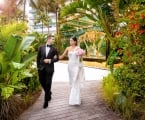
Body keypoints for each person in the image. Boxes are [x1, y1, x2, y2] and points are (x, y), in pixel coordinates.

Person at [59, 36, 85, 105]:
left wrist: (81, 56)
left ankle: (75, 99)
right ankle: (75, 97)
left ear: (75, 42)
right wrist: (54, 58)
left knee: (75, 81)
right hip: (70, 66)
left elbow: (81, 58)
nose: (70, 42)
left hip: (76, 66)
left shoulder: (78, 48)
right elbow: (62, 56)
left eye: (71, 41)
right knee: (72, 81)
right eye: (70, 40)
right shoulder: (67, 48)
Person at [37, 35, 59, 108]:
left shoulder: (54, 49)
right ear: (48, 39)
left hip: (50, 69)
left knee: (48, 83)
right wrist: (38, 67)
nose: (54, 40)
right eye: (52, 39)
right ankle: (48, 92)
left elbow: (57, 59)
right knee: (41, 81)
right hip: (41, 68)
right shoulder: (41, 47)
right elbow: (38, 58)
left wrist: (50, 60)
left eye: (54, 39)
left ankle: (46, 101)